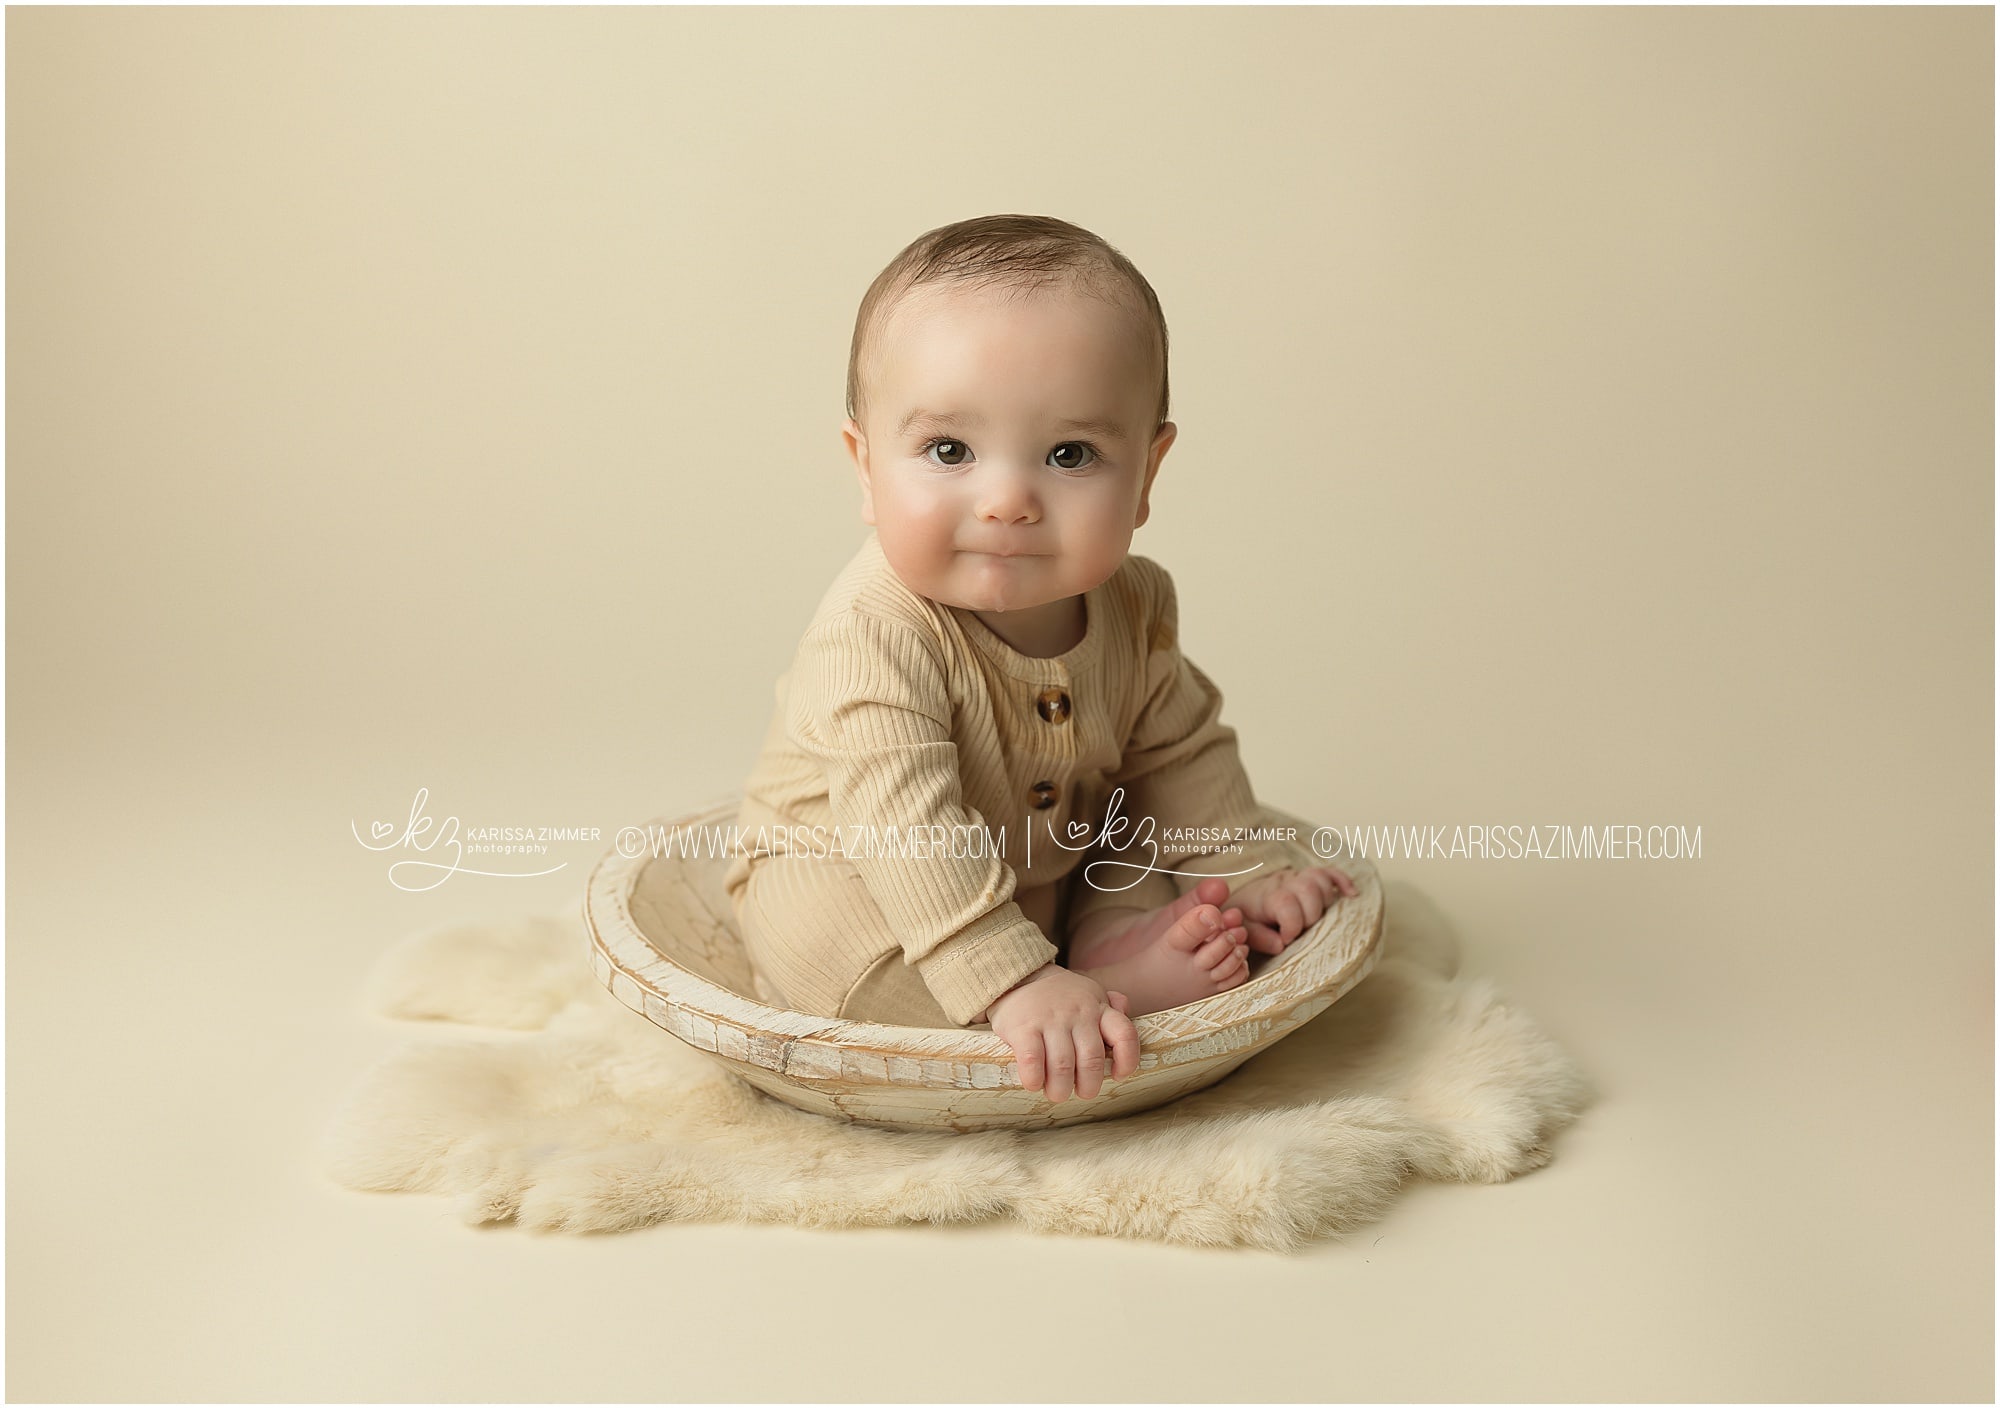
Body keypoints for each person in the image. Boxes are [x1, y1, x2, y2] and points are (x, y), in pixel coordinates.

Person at [722, 213, 1355, 1104]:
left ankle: (1106, 955)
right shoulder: (873, 633)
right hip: (856, 872)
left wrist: (1243, 867)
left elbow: (1179, 751)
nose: (1009, 499)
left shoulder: (1136, 604)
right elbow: (910, 830)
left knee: (1130, 837)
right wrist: (1010, 979)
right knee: (844, 962)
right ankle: (1071, 999)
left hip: (1037, 864)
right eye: (950, 450)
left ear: (1147, 473)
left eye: (1070, 454)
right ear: (866, 469)